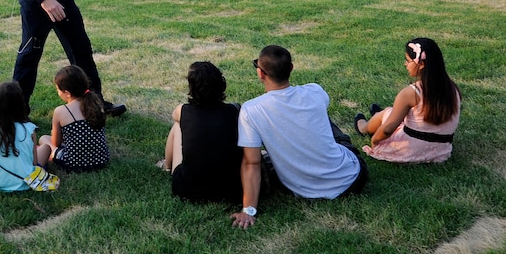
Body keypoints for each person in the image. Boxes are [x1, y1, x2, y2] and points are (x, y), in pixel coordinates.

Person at [231, 45, 368, 229]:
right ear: (292, 68)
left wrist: (248, 210)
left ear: (260, 74)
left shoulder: (251, 110)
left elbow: (252, 163)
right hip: (350, 179)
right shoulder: (315, 91)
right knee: (328, 124)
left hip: (304, 190)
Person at [354, 38, 461, 163]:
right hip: (441, 151)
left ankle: (364, 128)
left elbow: (388, 129)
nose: (405, 64)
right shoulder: (452, 88)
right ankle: (377, 118)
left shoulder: (412, 92)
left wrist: (375, 140)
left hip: (411, 150)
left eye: (408, 60)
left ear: (421, 64)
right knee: (397, 116)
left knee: (388, 113)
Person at [158, 61, 243, 204]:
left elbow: (175, 116)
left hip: (188, 188)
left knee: (178, 125)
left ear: (192, 87)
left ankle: (167, 165)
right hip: (228, 188)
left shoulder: (183, 110)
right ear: (221, 84)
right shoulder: (234, 110)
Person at [36, 65, 109, 172]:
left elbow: (56, 143)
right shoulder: (97, 104)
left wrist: (54, 133)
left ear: (67, 93)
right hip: (101, 159)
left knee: (44, 139)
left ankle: (52, 156)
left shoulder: (61, 111)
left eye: (58, 89)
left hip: (73, 162)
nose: (58, 93)